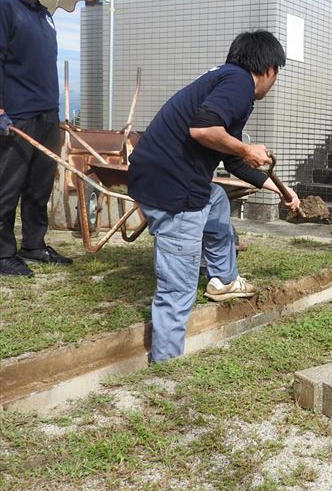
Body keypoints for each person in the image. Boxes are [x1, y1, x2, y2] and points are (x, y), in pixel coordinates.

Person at [127, 30, 300, 363]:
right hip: (173, 189)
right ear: (268, 70)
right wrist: (247, 146)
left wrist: (280, 188)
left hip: (157, 176)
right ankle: (165, 366)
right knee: (177, 290)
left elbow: (233, 159)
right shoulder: (238, 84)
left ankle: (223, 279)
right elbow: (203, 130)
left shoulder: (224, 80)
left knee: (215, 199)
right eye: (276, 75)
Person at [0, 0, 73, 278]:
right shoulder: (5, 8)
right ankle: (3, 254)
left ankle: (34, 245)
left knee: (39, 185)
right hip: (17, 115)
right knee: (8, 187)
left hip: (47, 113)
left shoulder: (44, 14)